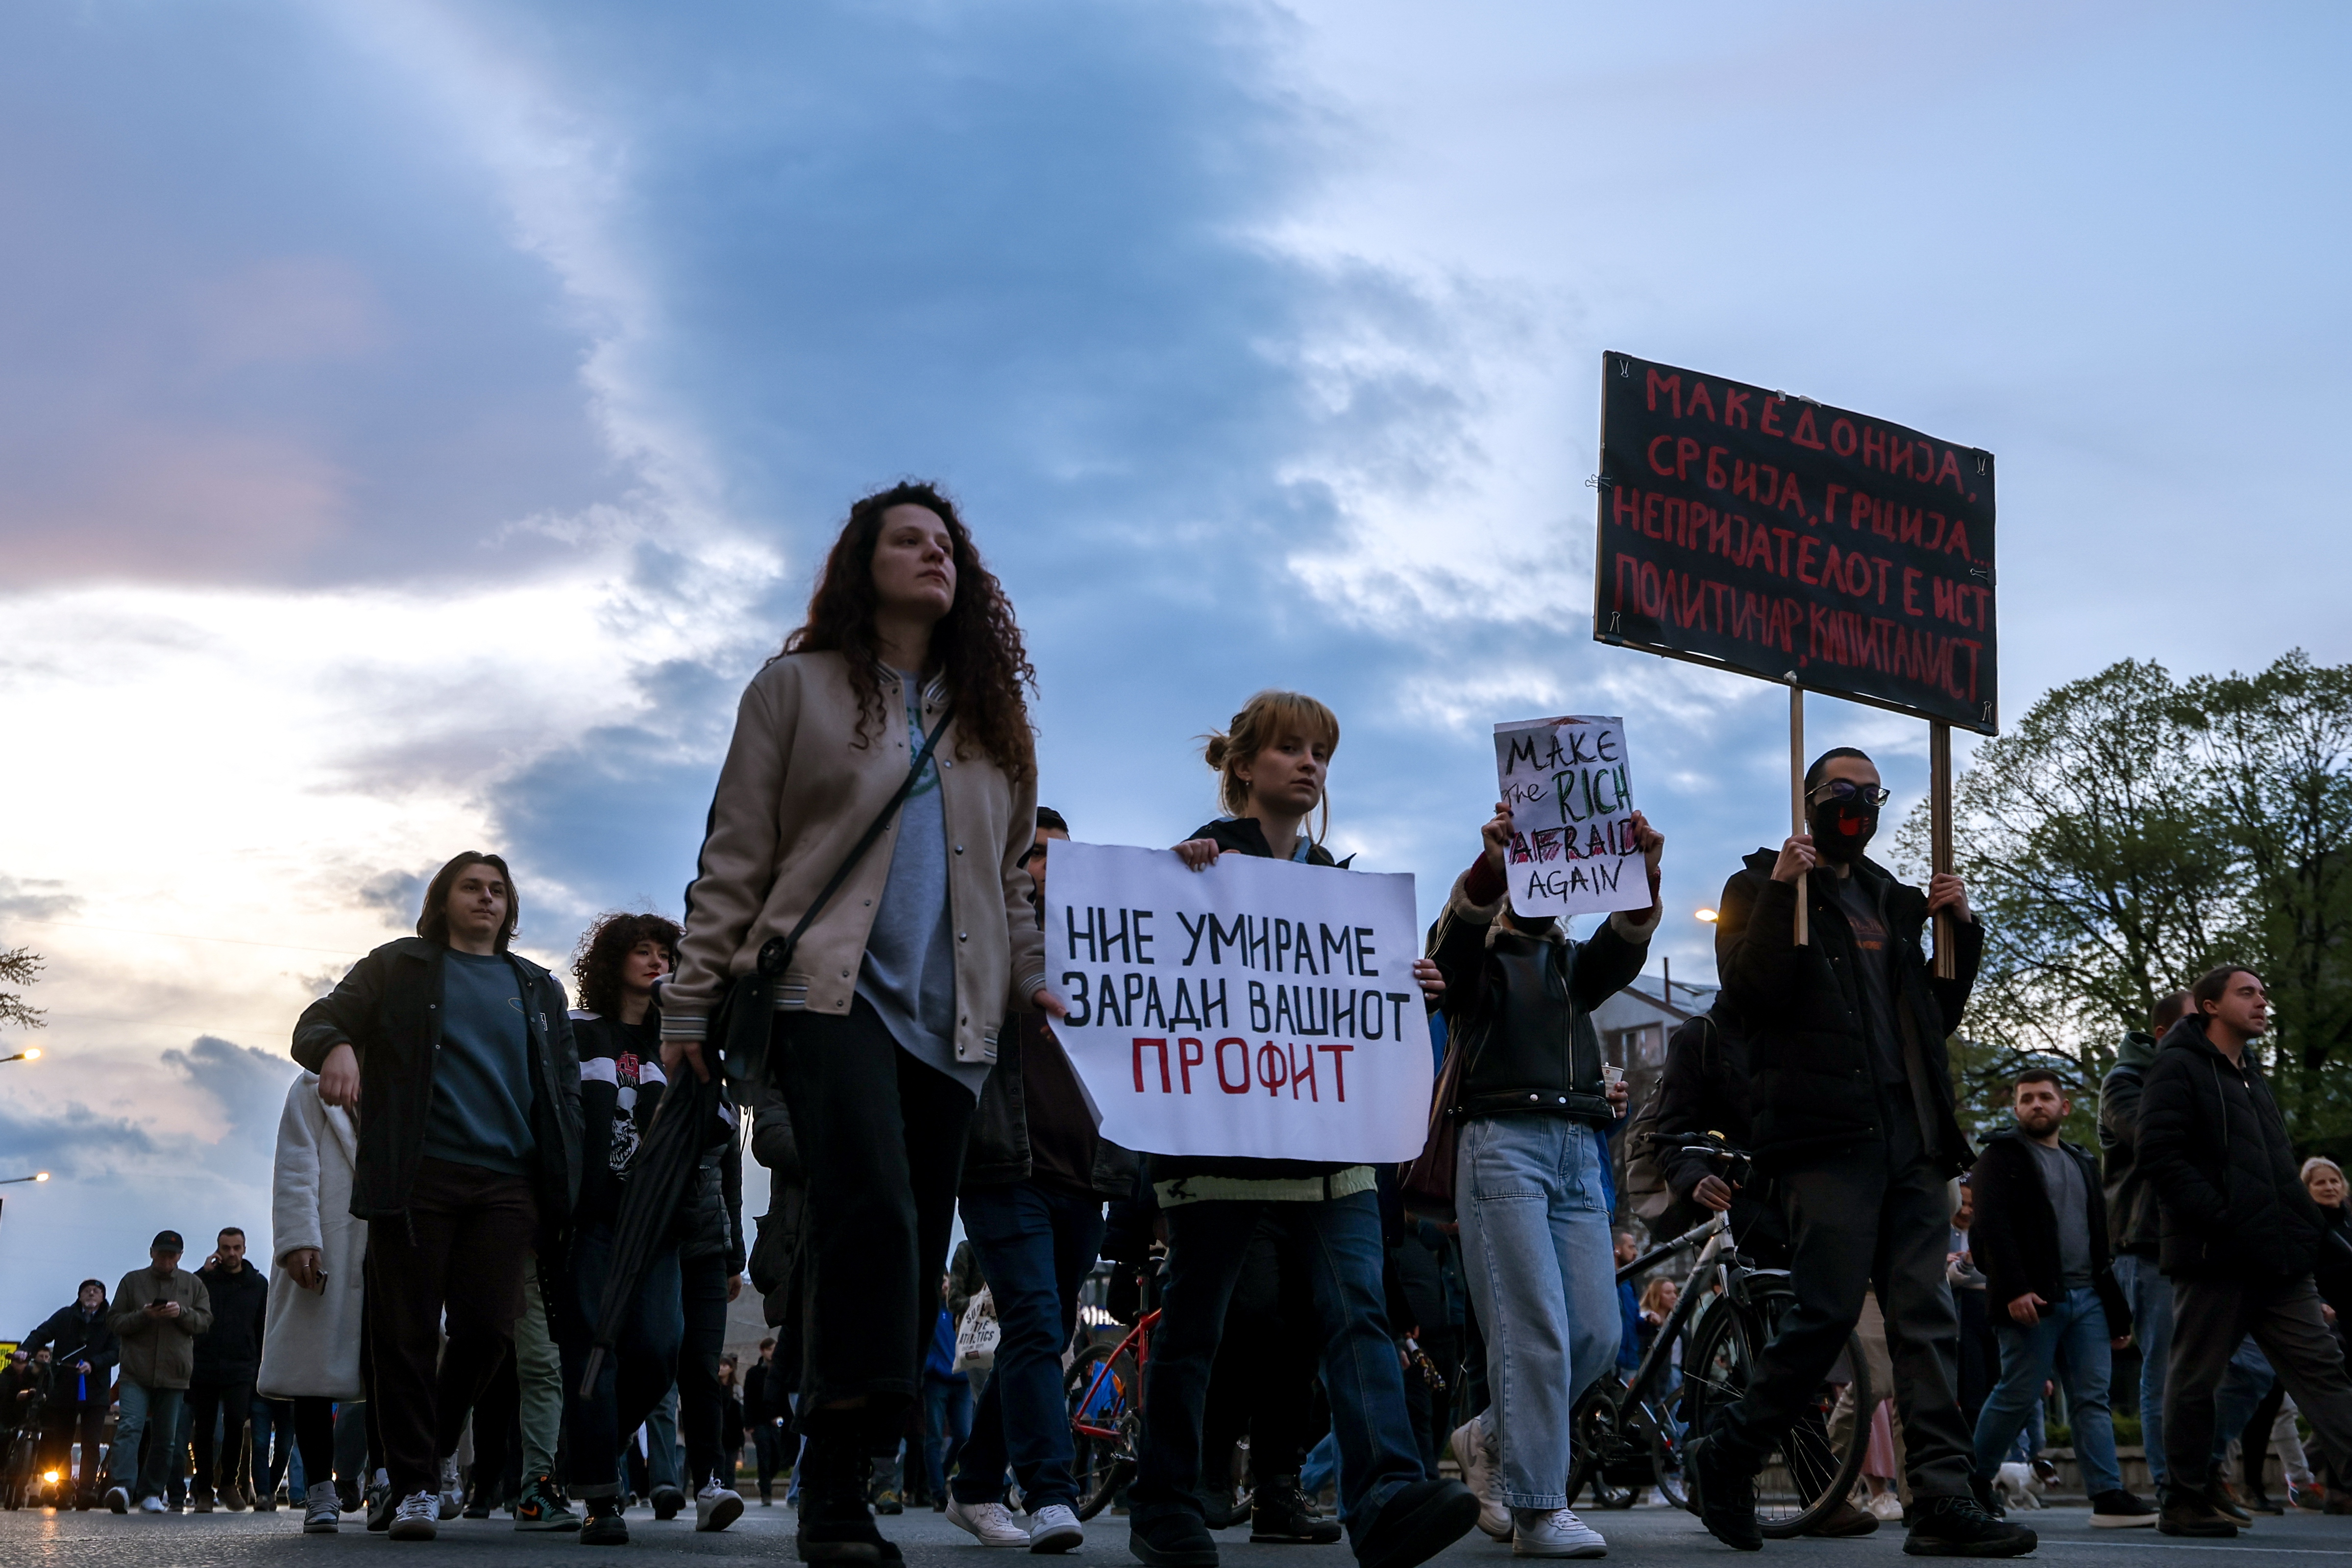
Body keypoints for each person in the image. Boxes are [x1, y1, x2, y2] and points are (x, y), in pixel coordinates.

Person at [662, 482, 1053, 1566]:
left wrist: (1035, 982)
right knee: (870, 1206)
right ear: (862, 564)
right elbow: (736, 853)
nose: (934, 556)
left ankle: (846, 1456)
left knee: (912, 1241)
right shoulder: (795, 689)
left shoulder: (994, 722)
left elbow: (1018, 886)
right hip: (825, 992)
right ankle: (847, 1465)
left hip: (953, 1018)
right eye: (908, 541)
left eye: (947, 545)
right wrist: (691, 999)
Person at [1126, 689, 1475, 1568]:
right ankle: (1164, 1504)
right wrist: (1172, 880)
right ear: (1244, 767)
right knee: (1196, 1324)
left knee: (1358, 1316)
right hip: (1220, 1152)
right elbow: (1146, 959)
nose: (1309, 765)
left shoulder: (1343, 894)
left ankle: (1388, 1498)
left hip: (1332, 1155)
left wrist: (1413, 983)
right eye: (1289, 749)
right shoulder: (1195, 870)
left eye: (1320, 751)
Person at [1682, 745, 2030, 1556]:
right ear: (1809, 798)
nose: (1859, 804)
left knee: (1926, 1320)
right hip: (1824, 1141)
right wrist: (1779, 890)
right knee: (1827, 1314)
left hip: (1909, 1138)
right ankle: (1726, 1454)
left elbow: (1932, 1018)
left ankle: (1941, 1499)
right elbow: (1749, 992)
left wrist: (1961, 930)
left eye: (1872, 793)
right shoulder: (1760, 886)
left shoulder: (1891, 901)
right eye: (1843, 790)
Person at [292, 850, 584, 1541]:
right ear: (443, 899)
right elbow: (314, 1022)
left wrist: (567, 1170)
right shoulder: (400, 967)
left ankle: (427, 1448)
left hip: (509, 1182)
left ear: (510, 907)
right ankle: (417, 1486)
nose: (487, 899)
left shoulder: (537, 987)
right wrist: (337, 1046)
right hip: (418, 1176)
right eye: (471, 887)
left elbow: (564, 1088)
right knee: (408, 1336)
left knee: (487, 1332)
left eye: (498, 890)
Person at [1426, 796, 1660, 1558]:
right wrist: (1494, 864)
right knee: (1532, 1332)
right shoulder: (1472, 961)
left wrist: (1643, 870)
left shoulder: (1568, 963)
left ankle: (1488, 1435)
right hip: (1503, 1145)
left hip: (1575, 1151)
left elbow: (1624, 944)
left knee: (1595, 1332)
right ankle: (1537, 1509)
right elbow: (1455, 937)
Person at [946, 805, 1142, 1552]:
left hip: (1082, 1175)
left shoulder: (1110, 952)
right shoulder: (981, 947)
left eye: (1064, 856)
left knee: (1046, 1329)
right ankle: (1051, 1493)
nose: (1049, 869)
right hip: (1003, 1165)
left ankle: (973, 1486)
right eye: (1034, 856)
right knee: (1032, 1322)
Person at [2139, 965, 2352, 1537]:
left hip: (2280, 1260)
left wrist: (2318, 1237)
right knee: (2194, 1379)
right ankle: (2182, 1498)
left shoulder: (2252, 1076)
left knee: (2324, 1370)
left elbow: (2282, 1172)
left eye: (2264, 992)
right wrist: (2225, 1218)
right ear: (2210, 1005)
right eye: (2248, 992)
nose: (2263, 1001)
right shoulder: (2177, 1067)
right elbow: (2160, 1155)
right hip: (2216, 1256)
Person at [563, 908, 728, 1543]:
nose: (657, 960)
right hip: (592, 1220)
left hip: (659, 1226)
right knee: (591, 1352)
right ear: (612, 962)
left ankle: (587, 1451)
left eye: (665, 952)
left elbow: (714, 1128)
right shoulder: (577, 1031)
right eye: (642, 950)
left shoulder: (682, 1039)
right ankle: (601, 1497)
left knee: (660, 1352)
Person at [1964, 1069, 2152, 1525]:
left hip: (2088, 1297)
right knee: (2017, 1393)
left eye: (2045, 1098)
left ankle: (2107, 1495)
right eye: (2026, 1099)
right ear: (2016, 1109)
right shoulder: (1999, 1157)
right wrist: (2012, 1288)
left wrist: (2117, 1314)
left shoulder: (2083, 1161)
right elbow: (1990, 1229)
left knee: (2093, 1398)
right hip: (2033, 1300)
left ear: (2063, 1107)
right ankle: (1971, 1485)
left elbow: (2099, 1242)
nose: (2036, 1105)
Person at [254, 1068, 371, 1534]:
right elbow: (296, 1163)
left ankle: (386, 1480)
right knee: (311, 1371)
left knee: (391, 1364)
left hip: (389, 1237)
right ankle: (321, 1488)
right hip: (328, 1240)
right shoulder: (311, 1086)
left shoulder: (412, 1071)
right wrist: (300, 1237)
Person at [2098, 989, 2191, 1496]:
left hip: (2202, 1244)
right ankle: (2171, 1482)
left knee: (2242, 1366)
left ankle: (2205, 1469)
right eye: (2197, 1022)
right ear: (2164, 1033)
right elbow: (2156, 1139)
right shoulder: (2126, 1080)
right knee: (2165, 1369)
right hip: (2147, 1243)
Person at [103, 1230, 214, 1512]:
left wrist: (183, 1314)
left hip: (175, 1373)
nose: (167, 1258)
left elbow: (204, 1322)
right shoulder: (132, 1281)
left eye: (172, 1254)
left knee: (167, 1438)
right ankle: (123, 1487)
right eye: (162, 1253)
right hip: (135, 1372)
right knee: (130, 1427)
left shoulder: (193, 1284)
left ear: (180, 1256)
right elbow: (114, 1322)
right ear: (152, 1252)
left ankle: (152, 1491)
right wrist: (143, 1315)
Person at [185, 1226, 268, 1511]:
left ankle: (229, 1484)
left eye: (236, 1248)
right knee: (205, 1430)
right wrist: (203, 1273)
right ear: (218, 1249)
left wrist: (258, 1367)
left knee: (235, 1424)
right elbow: (187, 1302)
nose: (231, 1253)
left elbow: (263, 1327)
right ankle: (204, 1489)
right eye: (226, 1248)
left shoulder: (257, 1284)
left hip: (241, 1365)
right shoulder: (205, 1280)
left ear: (244, 1249)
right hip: (205, 1363)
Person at [23, 1279, 118, 1507]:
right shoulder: (65, 1316)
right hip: (65, 1387)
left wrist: (94, 1364)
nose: (92, 1293)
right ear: (79, 1296)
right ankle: (62, 1487)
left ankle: (86, 1490)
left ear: (104, 1297)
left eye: (97, 1291)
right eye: (87, 1290)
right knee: (60, 1441)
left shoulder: (111, 1321)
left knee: (91, 1443)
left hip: (95, 1390)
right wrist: (25, 1350)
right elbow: (42, 1333)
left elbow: (116, 1352)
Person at [745, 1338, 786, 1506]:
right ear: (763, 1351)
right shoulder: (754, 1373)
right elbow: (749, 1399)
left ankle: (764, 1482)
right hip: (759, 1422)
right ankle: (766, 1493)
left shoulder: (781, 1371)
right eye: (770, 1349)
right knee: (764, 1457)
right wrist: (750, 1425)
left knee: (778, 1457)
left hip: (777, 1420)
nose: (773, 1353)